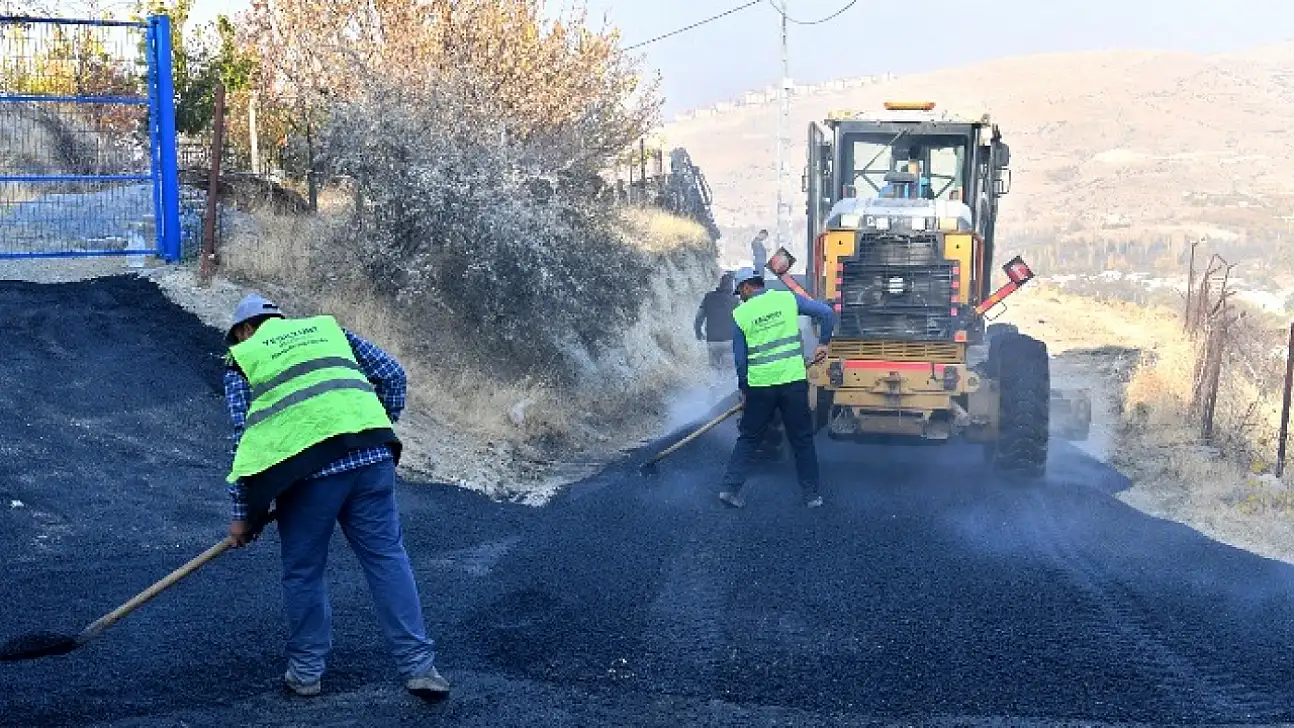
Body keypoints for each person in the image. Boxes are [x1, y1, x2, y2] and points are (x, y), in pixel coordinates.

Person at [221, 294, 448, 701]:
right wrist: (375, 426)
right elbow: (393, 374)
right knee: (387, 559)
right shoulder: (328, 331)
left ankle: (306, 674)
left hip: (307, 477)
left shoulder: (243, 358)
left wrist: (243, 517)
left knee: (304, 571)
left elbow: (243, 439)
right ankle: (420, 668)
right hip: (371, 457)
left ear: (243, 331)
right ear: (279, 319)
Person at [719, 268, 836, 509]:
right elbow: (826, 312)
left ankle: (730, 489)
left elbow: (740, 360)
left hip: (760, 387)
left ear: (746, 287)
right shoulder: (786, 299)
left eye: (740, 292)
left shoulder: (741, 314)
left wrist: (744, 388)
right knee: (801, 439)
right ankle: (811, 496)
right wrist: (823, 343)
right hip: (792, 383)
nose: (740, 297)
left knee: (749, 437)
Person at [695, 272, 738, 397]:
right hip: (729, 340)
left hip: (712, 340)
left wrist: (698, 332)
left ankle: (714, 389)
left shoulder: (708, 297)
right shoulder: (735, 301)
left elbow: (699, 317)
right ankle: (727, 395)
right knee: (729, 369)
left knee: (714, 367)